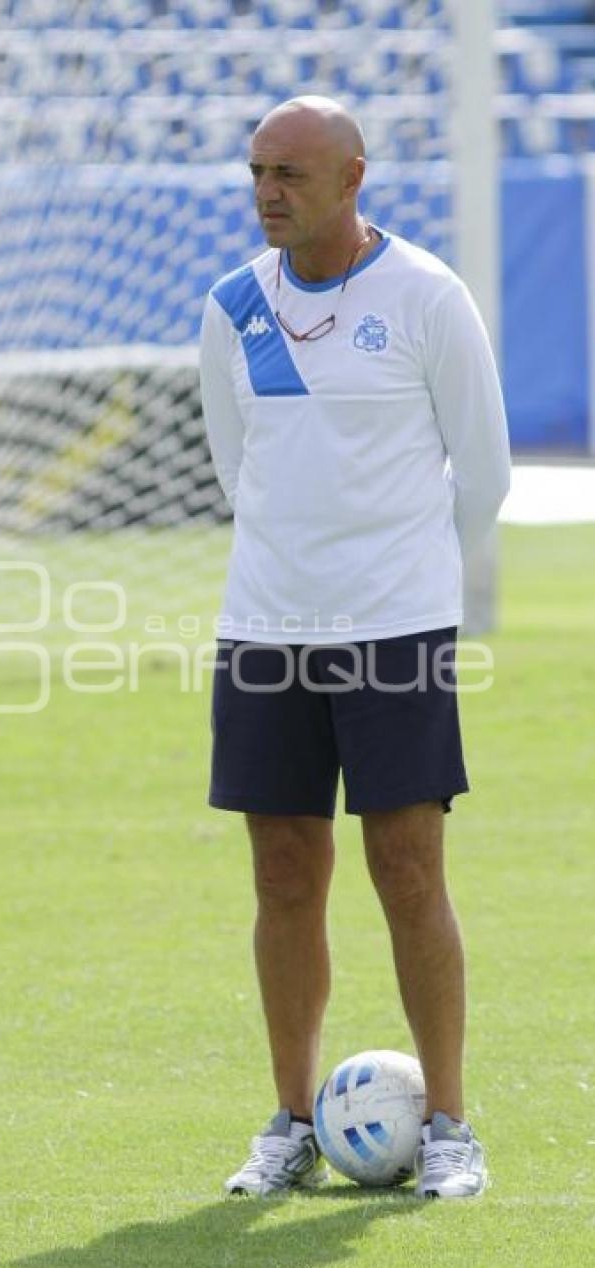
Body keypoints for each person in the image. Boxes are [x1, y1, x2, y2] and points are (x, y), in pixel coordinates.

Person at [198, 96, 510, 1201]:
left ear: (352, 177)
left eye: (288, 172)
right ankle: (288, 1122)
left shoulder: (425, 295)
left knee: (408, 870)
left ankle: (453, 1128)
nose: (266, 192)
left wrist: (410, 584)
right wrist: (295, 575)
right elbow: (235, 468)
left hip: (393, 629)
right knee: (283, 875)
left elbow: (484, 469)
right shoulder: (233, 303)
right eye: (255, 172)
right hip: (264, 629)